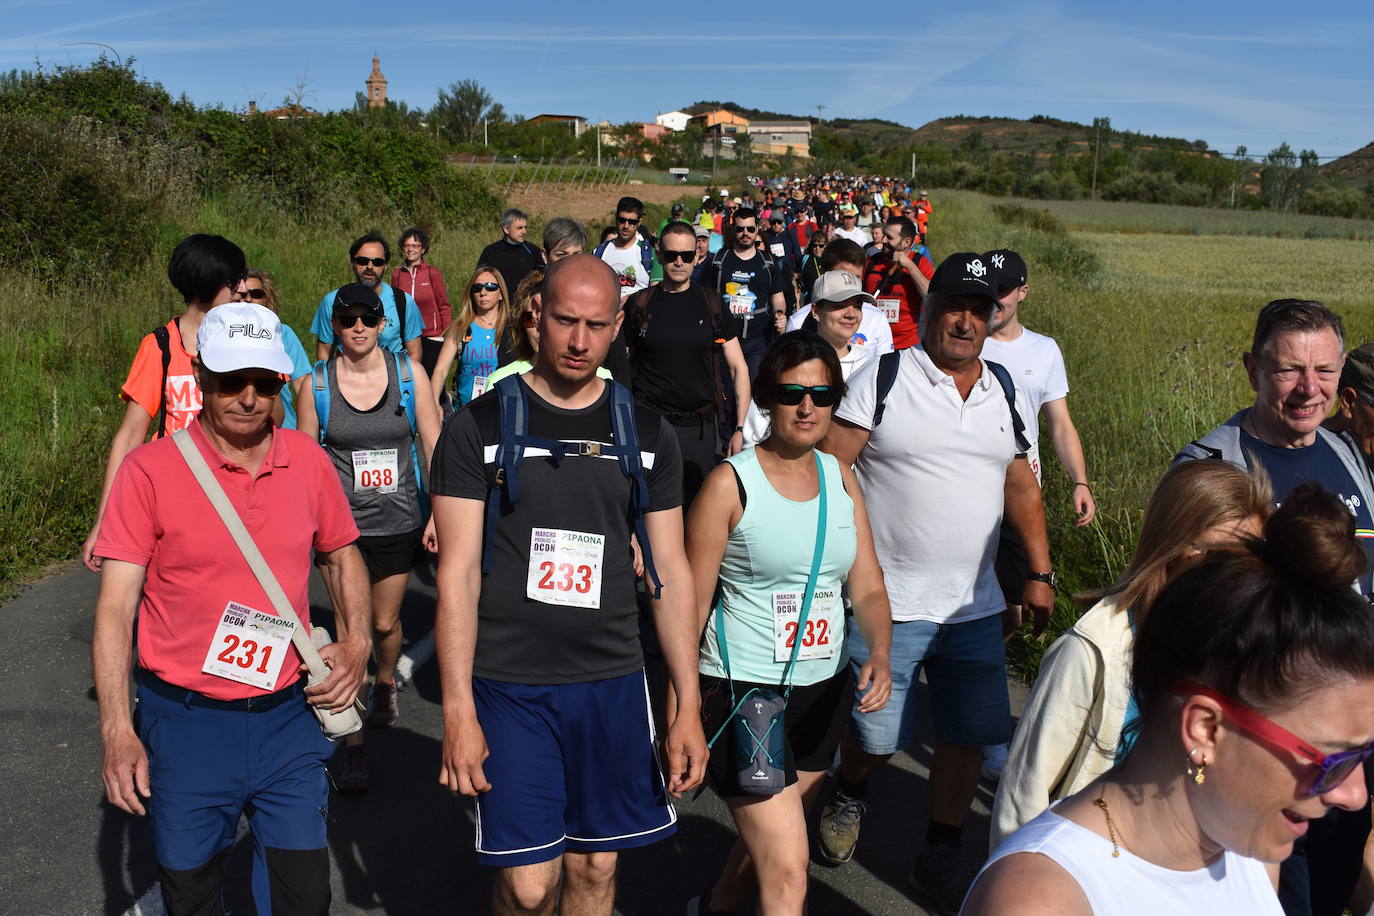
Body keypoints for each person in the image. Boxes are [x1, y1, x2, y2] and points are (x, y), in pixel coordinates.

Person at [430, 254, 707, 916]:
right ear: (536, 319)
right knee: (529, 889)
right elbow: (457, 576)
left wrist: (687, 705)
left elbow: (669, 572)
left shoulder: (645, 433)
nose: (578, 341)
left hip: (609, 684)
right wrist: (457, 710)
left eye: (594, 324)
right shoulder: (481, 427)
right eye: (564, 321)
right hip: (509, 683)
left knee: (594, 871)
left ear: (617, 326)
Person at [964, 485, 1374, 916]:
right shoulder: (1041, 901)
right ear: (1206, 729)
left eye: (1363, 755)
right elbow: (1025, 791)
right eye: (1332, 759)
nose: (1356, 795)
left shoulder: (1253, 850)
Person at [92, 301, 370, 914]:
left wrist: (358, 643)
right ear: (201, 377)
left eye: (263, 382)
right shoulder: (149, 472)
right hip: (186, 724)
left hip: (288, 718)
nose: (247, 397)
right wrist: (117, 730)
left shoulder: (308, 462)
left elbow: (343, 556)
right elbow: (115, 609)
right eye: (230, 381)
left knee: (304, 900)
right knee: (191, 897)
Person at [817, 253, 1054, 913]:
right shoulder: (884, 377)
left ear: (992, 316)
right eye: (954, 305)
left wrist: (1038, 571)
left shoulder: (1004, 389)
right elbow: (832, 469)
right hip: (885, 602)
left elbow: (1021, 484)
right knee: (875, 736)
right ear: (928, 308)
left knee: (965, 735)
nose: (965, 320)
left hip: (974, 607)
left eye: (978, 310)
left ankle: (942, 847)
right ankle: (851, 789)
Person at [1176, 300, 1374, 916]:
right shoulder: (1214, 469)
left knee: (1336, 883)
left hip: (1351, 736)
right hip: (1272, 742)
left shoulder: (1345, 455)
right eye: (1289, 370)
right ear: (1252, 370)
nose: (1308, 389)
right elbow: (1188, 615)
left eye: (1324, 370)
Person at [686, 331, 894, 916]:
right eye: (792, 393)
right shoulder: (730, 483)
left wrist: (878, 650)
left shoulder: (840, 477)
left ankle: (714, 907)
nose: (808, 408)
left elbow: (869, 584)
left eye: (822, 394)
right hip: (746, 691)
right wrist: (681, 708)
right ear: (767, 400)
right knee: (788, 871)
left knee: (776, 841)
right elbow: (690, 605)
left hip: (822, 691)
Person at [989, 460, 1271, 850]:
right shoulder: (1090, 650)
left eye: (1253, 561)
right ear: (1175, 545)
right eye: (1222, 557)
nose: (1239, 578)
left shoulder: (1240, 655)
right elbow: (1023, 797)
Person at [297, 283, 441, 792]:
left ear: (383, 324)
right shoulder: (314, 385)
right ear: (333, 326)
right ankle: (353, 748)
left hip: (399, 519)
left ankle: (384, 680)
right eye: (347, 318)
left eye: (367, 318)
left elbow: (432, 441)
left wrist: (438, 514)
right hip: (340, 534)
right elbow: (305, 460)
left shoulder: (409, 374)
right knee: (347, 630)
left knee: (383, 623)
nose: (357, 327)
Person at [977, 248, 1097, 780]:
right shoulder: (963, 337)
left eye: (1003, 292)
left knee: (1015, 611)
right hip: (964, 494)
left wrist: (1079, 479)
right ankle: (983, 729)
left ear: (1022, 292)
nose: (993, 302)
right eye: (987, 291)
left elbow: (1060, 423)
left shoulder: (1043, 351)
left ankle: (973, 679)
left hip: (1019, 500)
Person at [82, 234, 248, 572]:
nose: (242, 288)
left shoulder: (246, 340)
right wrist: (104, 521)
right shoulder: (160, 347)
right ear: (207, 284)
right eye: (233, 282)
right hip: (172, 499)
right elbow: (130, 437)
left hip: (236, 495)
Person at [621, 221, 751, 505]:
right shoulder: (639, 306)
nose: (679, 262)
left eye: (687, 256)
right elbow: (618, 366)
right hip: (649, 426)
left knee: (697, 510)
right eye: (671, 255)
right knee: (646, 506)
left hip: (700, 430)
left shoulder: (712, 304)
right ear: (659, 255)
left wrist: (740, 430)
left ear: (697, 255)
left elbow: (738, 367)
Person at [745, 271, 886, 447]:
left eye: (857, 305)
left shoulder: (873, 365)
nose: (851, 314)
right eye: (840, 304)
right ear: (815, 310)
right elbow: (755, 431)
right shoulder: (789, 358)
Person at [309, 232, 423, 365]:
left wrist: (404, 383)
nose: (370, 267)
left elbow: (415, 352)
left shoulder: (404, 302)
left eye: (377, 262)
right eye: (362, 261)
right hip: (347, 379)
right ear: (353, 263)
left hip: (393, 381)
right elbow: (324, 353)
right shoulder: (333, 301)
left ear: (385, 266)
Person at [702, 208, 787, 377]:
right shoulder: (719, 260)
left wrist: (780, 314)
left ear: (757, 228)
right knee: (725, 393)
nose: (745, 233)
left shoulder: (767, 262)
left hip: (758, 340)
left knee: (754, 391)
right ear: (734, 230)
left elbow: (777, 296)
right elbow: (703, 294)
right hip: (724, 338)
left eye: (750, 229)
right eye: (740, 229)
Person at [787, 240, 893, 357]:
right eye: (841, 276)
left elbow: (885, 368)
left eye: (856, 277)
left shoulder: (877, 319)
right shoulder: (797, 322)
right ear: (822, 273)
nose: (849, 283)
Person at [429, 266, 510, 406]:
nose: (483, 292)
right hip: (467, 411)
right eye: (477, 287)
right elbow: (441, 370)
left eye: (490, 287)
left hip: (503, 409)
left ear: (501, 293)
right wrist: (434, 405)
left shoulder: (512, 329)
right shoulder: (461, 328)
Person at [243, 268, 313, 430]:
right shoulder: (222, 337)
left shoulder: (283, 334)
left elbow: (303, 387)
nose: (248, 299)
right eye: (243, 294)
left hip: (284, 431)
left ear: (268, 299)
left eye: (256, 294)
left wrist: (307, 435)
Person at [864, 216, 934, 351]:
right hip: (872, 343)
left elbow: (931, 297)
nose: (883, 240)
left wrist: (909, 265)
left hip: (908, 346)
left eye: (889, 237)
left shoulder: (920, 263)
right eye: (884, 235)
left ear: (906, 242)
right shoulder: (871, 262)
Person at [391, 227, 452, 377]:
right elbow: (394, 305)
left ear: (423, 249)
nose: (410, 249)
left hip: (432, 335)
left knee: (432, 378)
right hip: (407, 337)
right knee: (409, 377)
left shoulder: (433, 273)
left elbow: (443, 306)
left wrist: (448, 335)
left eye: (415, 246)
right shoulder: (397, 274)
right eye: (407, 246)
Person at [594, 195, 658, 300]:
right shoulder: (600, 252)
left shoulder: (650, 254)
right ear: (616, 218)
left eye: (632, 222)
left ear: (640, 222)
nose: (626, 226)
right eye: (621, 220)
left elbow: (656, 295)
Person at [478, 208, 543, 294]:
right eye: (519, 228)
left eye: (525, 227)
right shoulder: (491, 251)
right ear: (506, 229)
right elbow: (479, 279)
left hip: (525, 304)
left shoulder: (533, 251)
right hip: (499, 304)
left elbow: (542, 279)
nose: (524, 231)